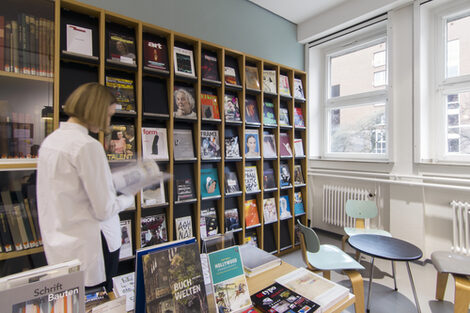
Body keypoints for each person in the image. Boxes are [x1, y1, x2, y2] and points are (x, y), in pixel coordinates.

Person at [37, 82, 135, 292]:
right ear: (96, 110)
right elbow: (104, 209)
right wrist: (129, 196)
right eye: (107, 115)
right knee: (99, 299)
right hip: (92, 249)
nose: (108, 123)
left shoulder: (50, 142)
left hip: (60, 249)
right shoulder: (87, 146)